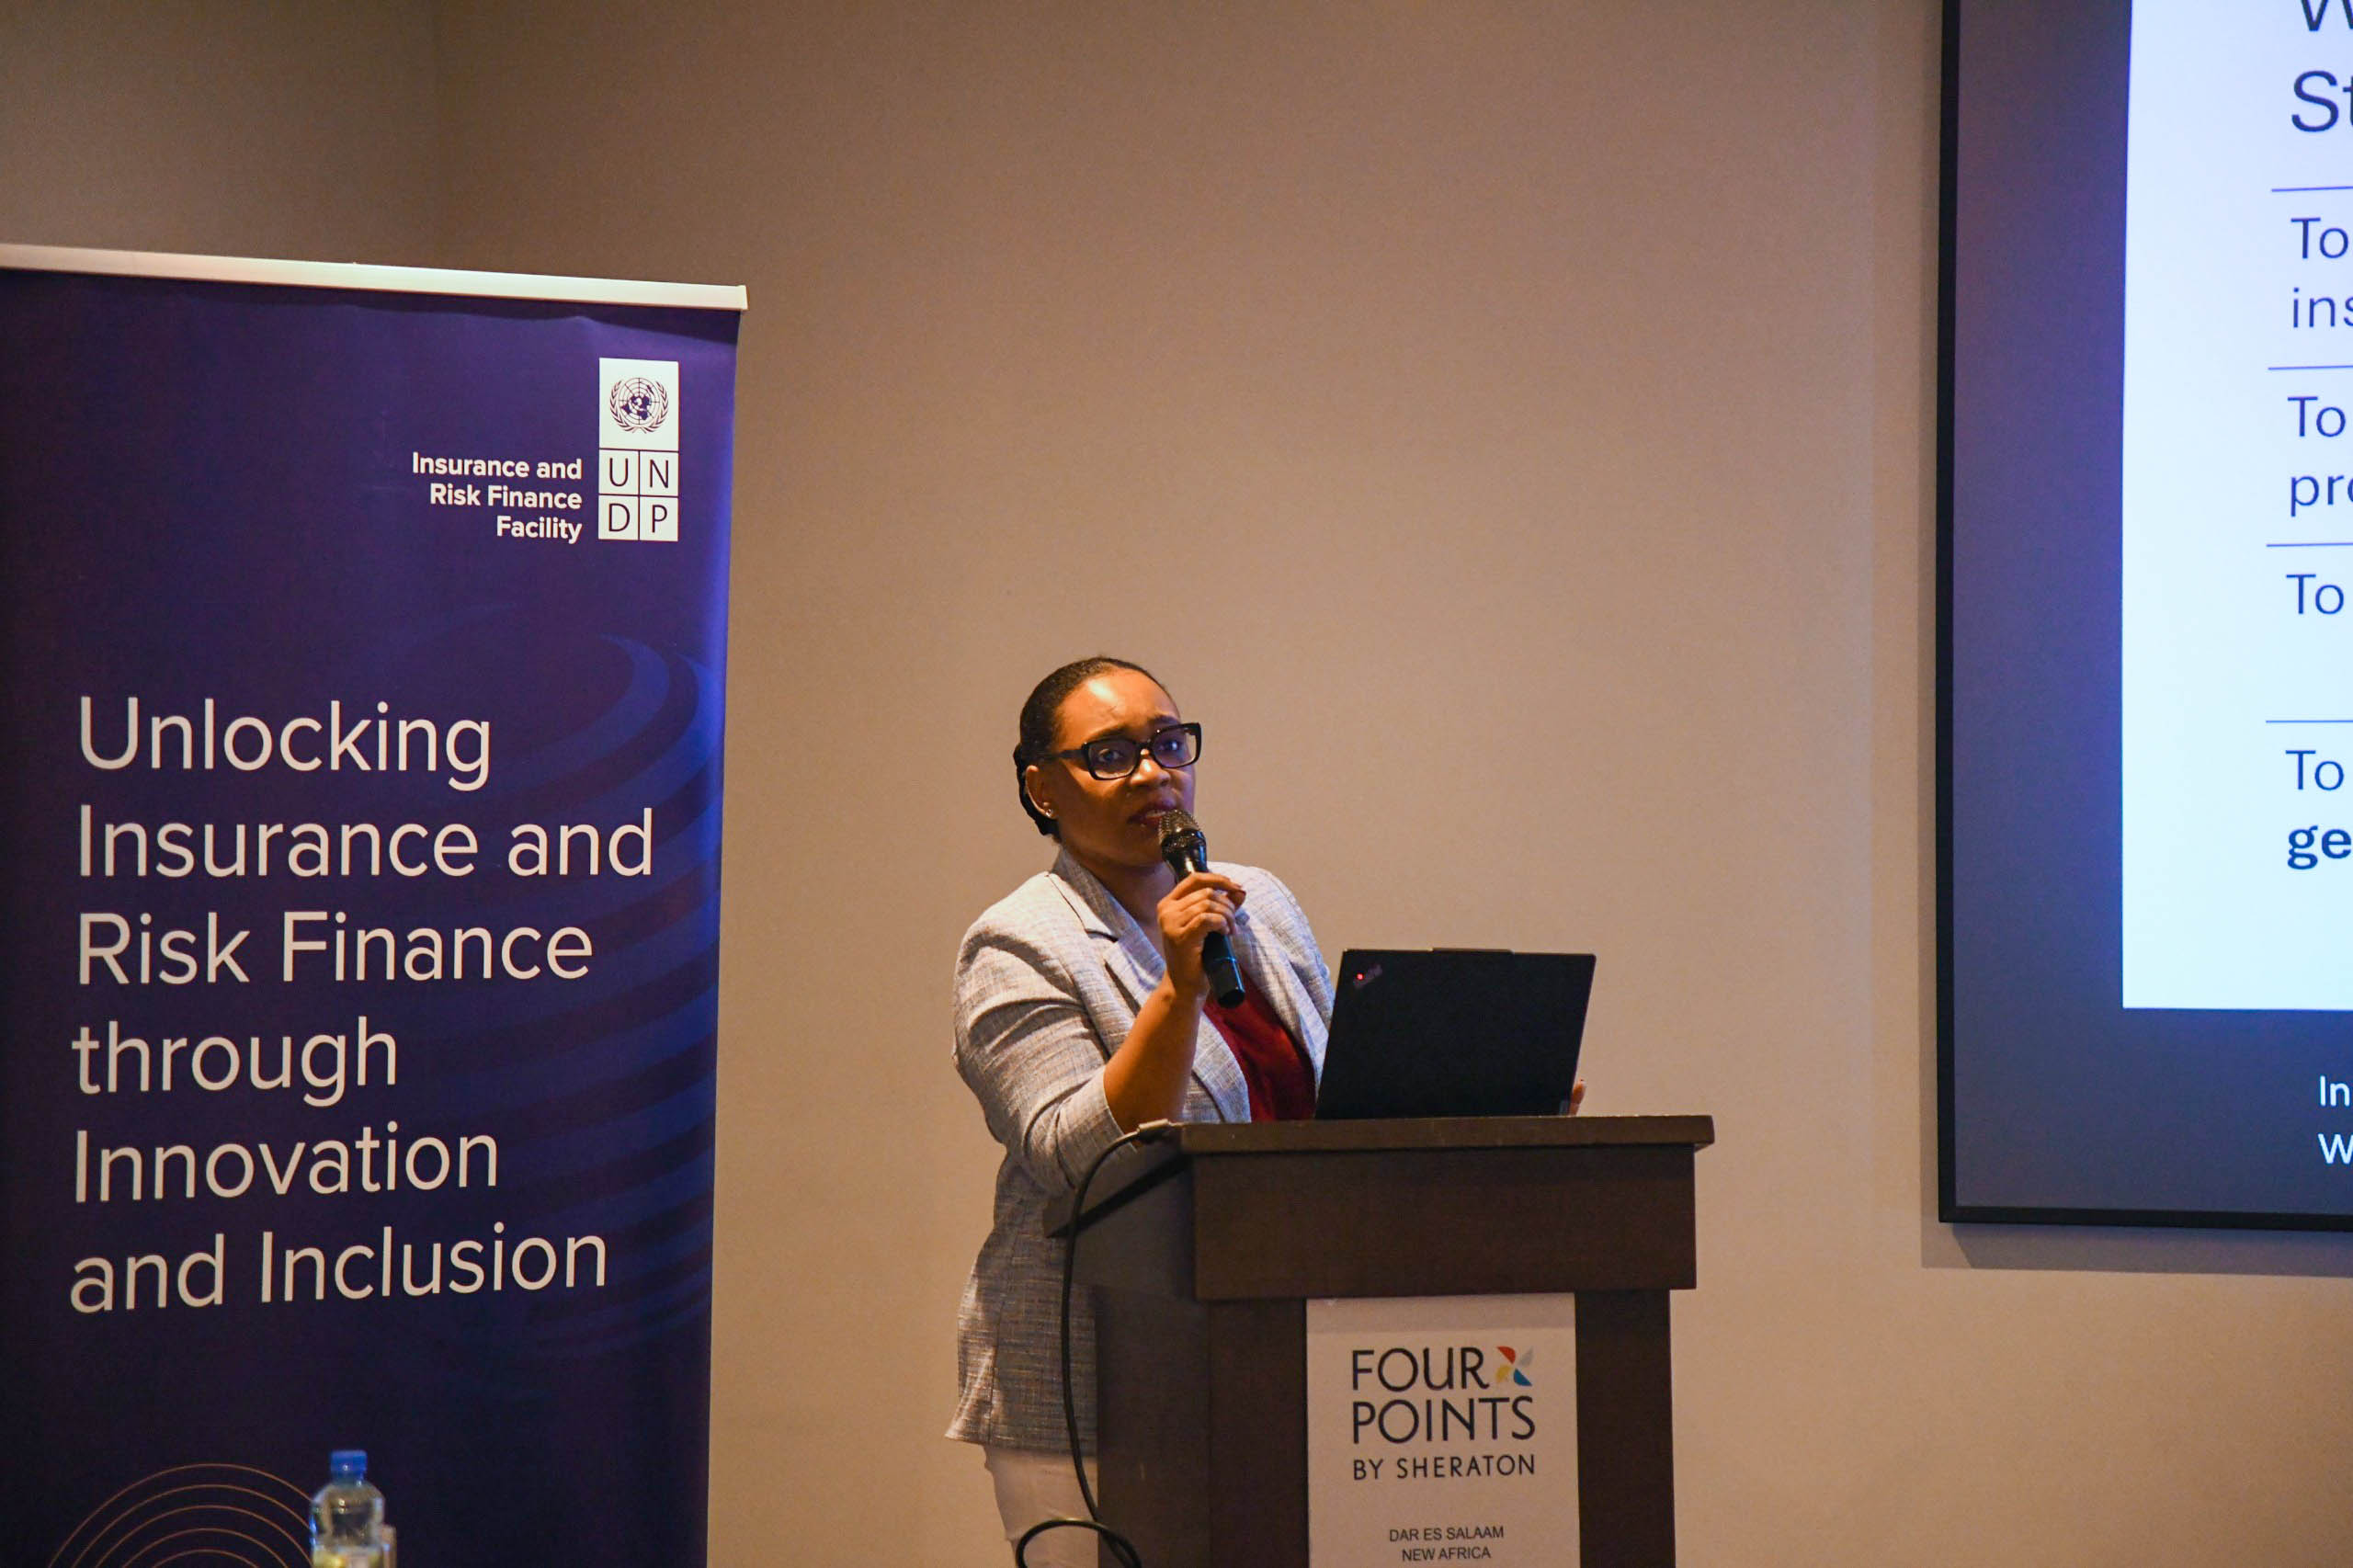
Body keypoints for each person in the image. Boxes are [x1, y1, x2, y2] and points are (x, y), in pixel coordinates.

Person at [948, 656, 1333, 1565]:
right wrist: (1176, 990)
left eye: (1167, 743)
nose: (1155, 772)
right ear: (1041, 789)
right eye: (1112, 754)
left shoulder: (1259, 903)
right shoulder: (1017, 942)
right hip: (1102, 1384)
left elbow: (1320, 1117)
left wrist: (1482, 1111)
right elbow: (1074, 1159)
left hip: (1279, 1354)